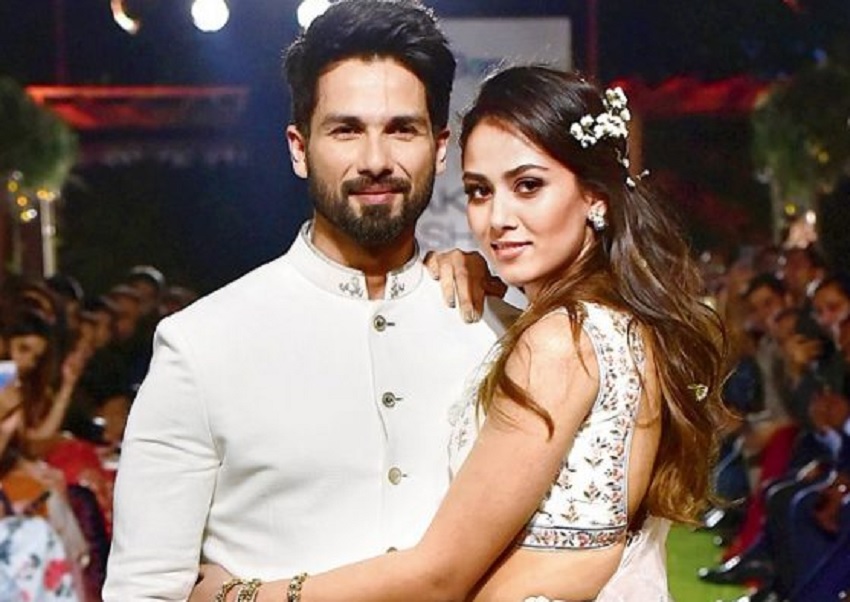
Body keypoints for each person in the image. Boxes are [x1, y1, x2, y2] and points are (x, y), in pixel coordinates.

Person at [191, 65, 728, 602]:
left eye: (528, 186)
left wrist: (241, 596)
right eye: (478, 191)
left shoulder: (559, 342)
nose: (498, 218)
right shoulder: (618, 323)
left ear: (595, 195)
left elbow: (438, 577)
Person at [103, 1, 513, 599]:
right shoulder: (202, 344)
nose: (376, 161)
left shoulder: (501, 334)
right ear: (299, 148)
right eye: (346, 130)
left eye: (402, 129)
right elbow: (144, 589)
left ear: (441, 146)